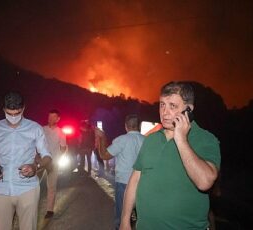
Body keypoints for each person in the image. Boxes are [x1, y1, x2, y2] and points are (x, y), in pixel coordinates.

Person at [120, 81, 221, 230]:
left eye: (172, 106)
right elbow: (135, 180)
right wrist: (124, 220)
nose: (165, 112)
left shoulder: (206, 139)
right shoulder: (151, 139)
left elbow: (205, 182)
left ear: (189, 110)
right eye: (162, 105)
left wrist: (181, 139)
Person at [0, 91, 52, 230]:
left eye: (17, 113)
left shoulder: (34, 128)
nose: (13, 117)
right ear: (3, 110)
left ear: (23, 108)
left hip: (27, 189)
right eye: (9, 113)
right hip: (0, 188)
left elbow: (47, 157)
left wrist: (35, 166)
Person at [95, 114, 145, 230]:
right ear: (139, 126)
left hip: (124, 182)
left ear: (126, 126)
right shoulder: (146, 140)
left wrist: (102, 138)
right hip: (142, 182)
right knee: (141, 215)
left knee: (122, 215)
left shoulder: (122, 140)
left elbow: (104, 155)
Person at [41, 109, 67, 219]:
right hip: (41, 161)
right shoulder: (42, 129)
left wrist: (57, 158)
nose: (50, 119)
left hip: (53, 162)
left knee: (51, 186)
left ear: (58, 119)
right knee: (32, 185)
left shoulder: (60, 132)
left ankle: (49, 210)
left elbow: (63, 147)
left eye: (53, 117)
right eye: (49, 117)